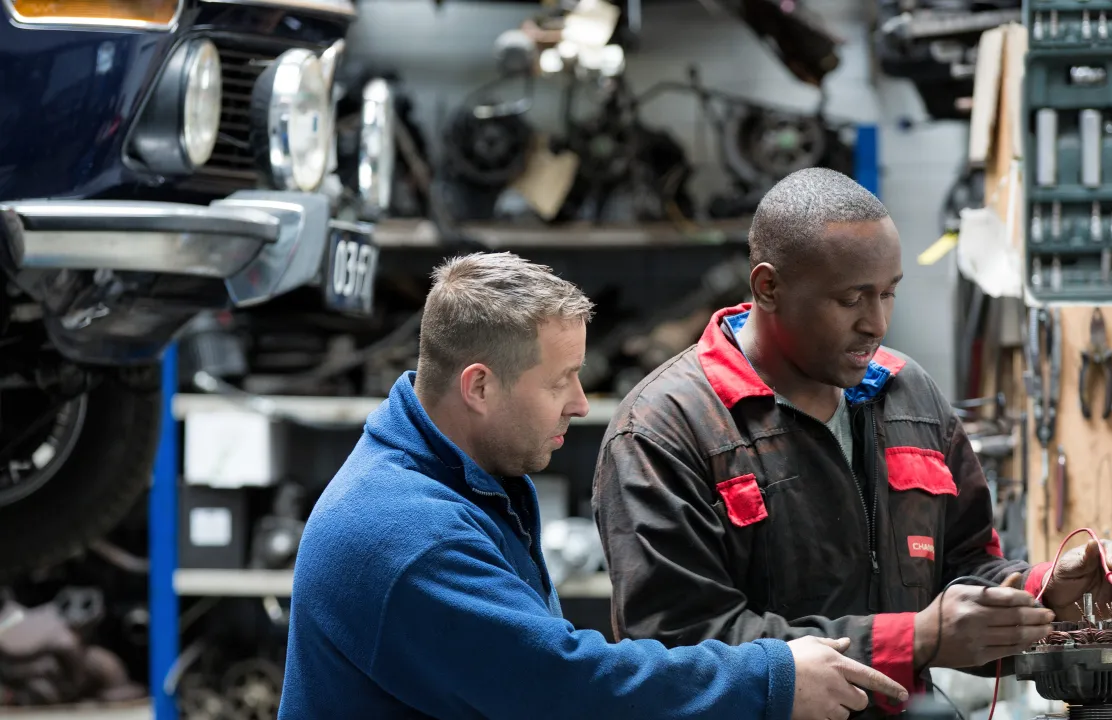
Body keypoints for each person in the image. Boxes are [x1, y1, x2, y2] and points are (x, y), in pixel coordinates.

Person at [591, 168, 1112, 715]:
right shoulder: (666, 429)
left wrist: (1046, 593)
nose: (877, 322)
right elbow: (678, 651)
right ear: (768, 287)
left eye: (888, 293)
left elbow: (965, 568)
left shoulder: (909, 396)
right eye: (851, 299)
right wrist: (914, 639)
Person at [278, 251, 909, 719]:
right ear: (479, 386)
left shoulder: (465, 480)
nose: (581, 403)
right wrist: (771, 679)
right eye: (561, 380)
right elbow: (561, 685)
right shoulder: (407, 535)